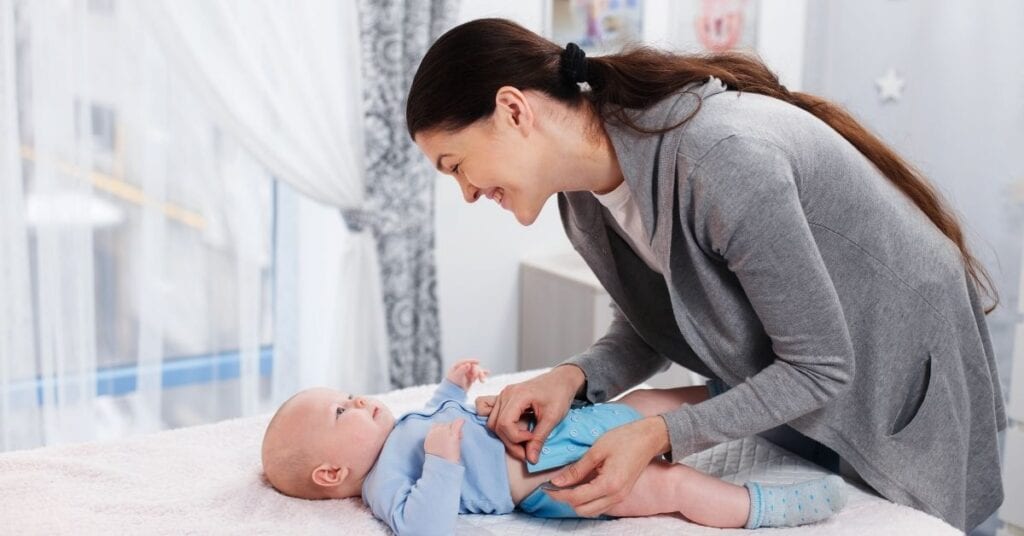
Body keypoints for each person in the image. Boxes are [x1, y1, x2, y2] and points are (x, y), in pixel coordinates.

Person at [404, 18, 1006, 532]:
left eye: (456, 165)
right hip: (805, 396)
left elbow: (821, 365)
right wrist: (573, 377)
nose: (466, 192)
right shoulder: (582, 202)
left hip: (902, 383)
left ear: (513, 110)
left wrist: (660, 434)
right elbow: (652, 323)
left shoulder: (718, 159)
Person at [261, 359, 847, 535]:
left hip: (560, 430)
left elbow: (446, 411)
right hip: (555, 485)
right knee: (666, 486)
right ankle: (761, 509)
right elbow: (427, 529)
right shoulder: (383, 485)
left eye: (348, 393)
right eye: (343, 411)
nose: (359, 399)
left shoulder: (403, 423)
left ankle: (735, 391)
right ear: (331, 472)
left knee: (648, 403)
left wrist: (456, 385)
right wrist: (441, 464)